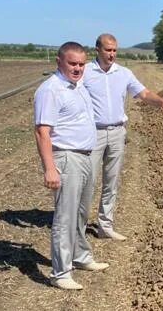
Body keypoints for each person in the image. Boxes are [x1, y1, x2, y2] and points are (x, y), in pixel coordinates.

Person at [81, 33, 163, 240]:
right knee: (87, 181)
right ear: (97, 50)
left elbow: (143, 93)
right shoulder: (85, 72)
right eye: (108, 50)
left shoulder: (123, 73)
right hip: (92, 133)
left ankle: (105, 226)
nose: (112, 54)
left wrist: (161, 102)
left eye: (115, 50)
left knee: (112, 181)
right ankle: (78, 226)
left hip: (117, 132)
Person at [33, 41, 109, 290]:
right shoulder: (51, 90)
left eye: (80, 64)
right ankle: (60, 273)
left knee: (80, 213)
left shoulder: (77, 86)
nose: (77, 68)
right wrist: (50, 168)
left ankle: (80, 256)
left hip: (85, 157)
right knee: (65, 216)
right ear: (59, 62)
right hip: (66, 157)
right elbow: (42, 132)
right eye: (72, 63)